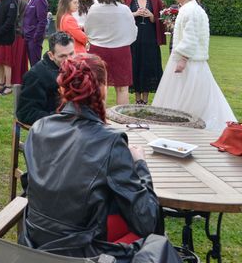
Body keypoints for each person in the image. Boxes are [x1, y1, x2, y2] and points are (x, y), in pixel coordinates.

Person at [21, 54, 183, 263]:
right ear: (103, 88)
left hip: (34, 244)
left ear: (63, 88)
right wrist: (140, 164)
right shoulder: (111, 142)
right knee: (159, 245)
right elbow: (147, 221)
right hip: (83, 254)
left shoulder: (38, 128)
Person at [152, 0, 237, 132]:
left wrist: (183, 59)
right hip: (186, 59)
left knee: (190, 95)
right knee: (181, 93)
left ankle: (187, 125)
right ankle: (179, 124)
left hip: (189, 62)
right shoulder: (189, 9)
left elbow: (191, 37)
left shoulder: (192, 10)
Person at [85, 0, 137, 106]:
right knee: (122, 88)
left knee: (100, 87)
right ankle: (120, 121)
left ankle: (99, 118)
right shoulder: (124, 9)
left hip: (98, 50)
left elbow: (88, 30)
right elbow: (133, 31)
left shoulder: (94, 8)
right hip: (120, 51)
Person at [16, 32, 74, 125]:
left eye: (71, 54)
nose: (69, 59)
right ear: (51, 55)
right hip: (55, 128)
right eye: (62, 56)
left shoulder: (76, 69)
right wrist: (61, 118)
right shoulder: (36, 75)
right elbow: (26, 113)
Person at [123, 0, 165, 105]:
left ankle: (145, 99)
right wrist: (134, 14)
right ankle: (137, 99)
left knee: (148, 65)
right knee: (135, 64)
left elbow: (161, 19)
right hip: (133, 38)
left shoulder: (156, 0)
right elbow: (122, 15)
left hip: (149, 38)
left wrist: (151, 16)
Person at [23, 0, 48, 66]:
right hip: (29, 37)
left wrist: (35, 38)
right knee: (33, 65)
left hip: (34, 39)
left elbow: (42, 22)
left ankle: (39, 80)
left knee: (36, 65)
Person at [10, 0, 28, 85]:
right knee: (21, 58)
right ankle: (21, 78)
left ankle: (15, 79)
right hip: (24, 32)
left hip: (16, 32)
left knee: (16, 57)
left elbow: (15, 17)